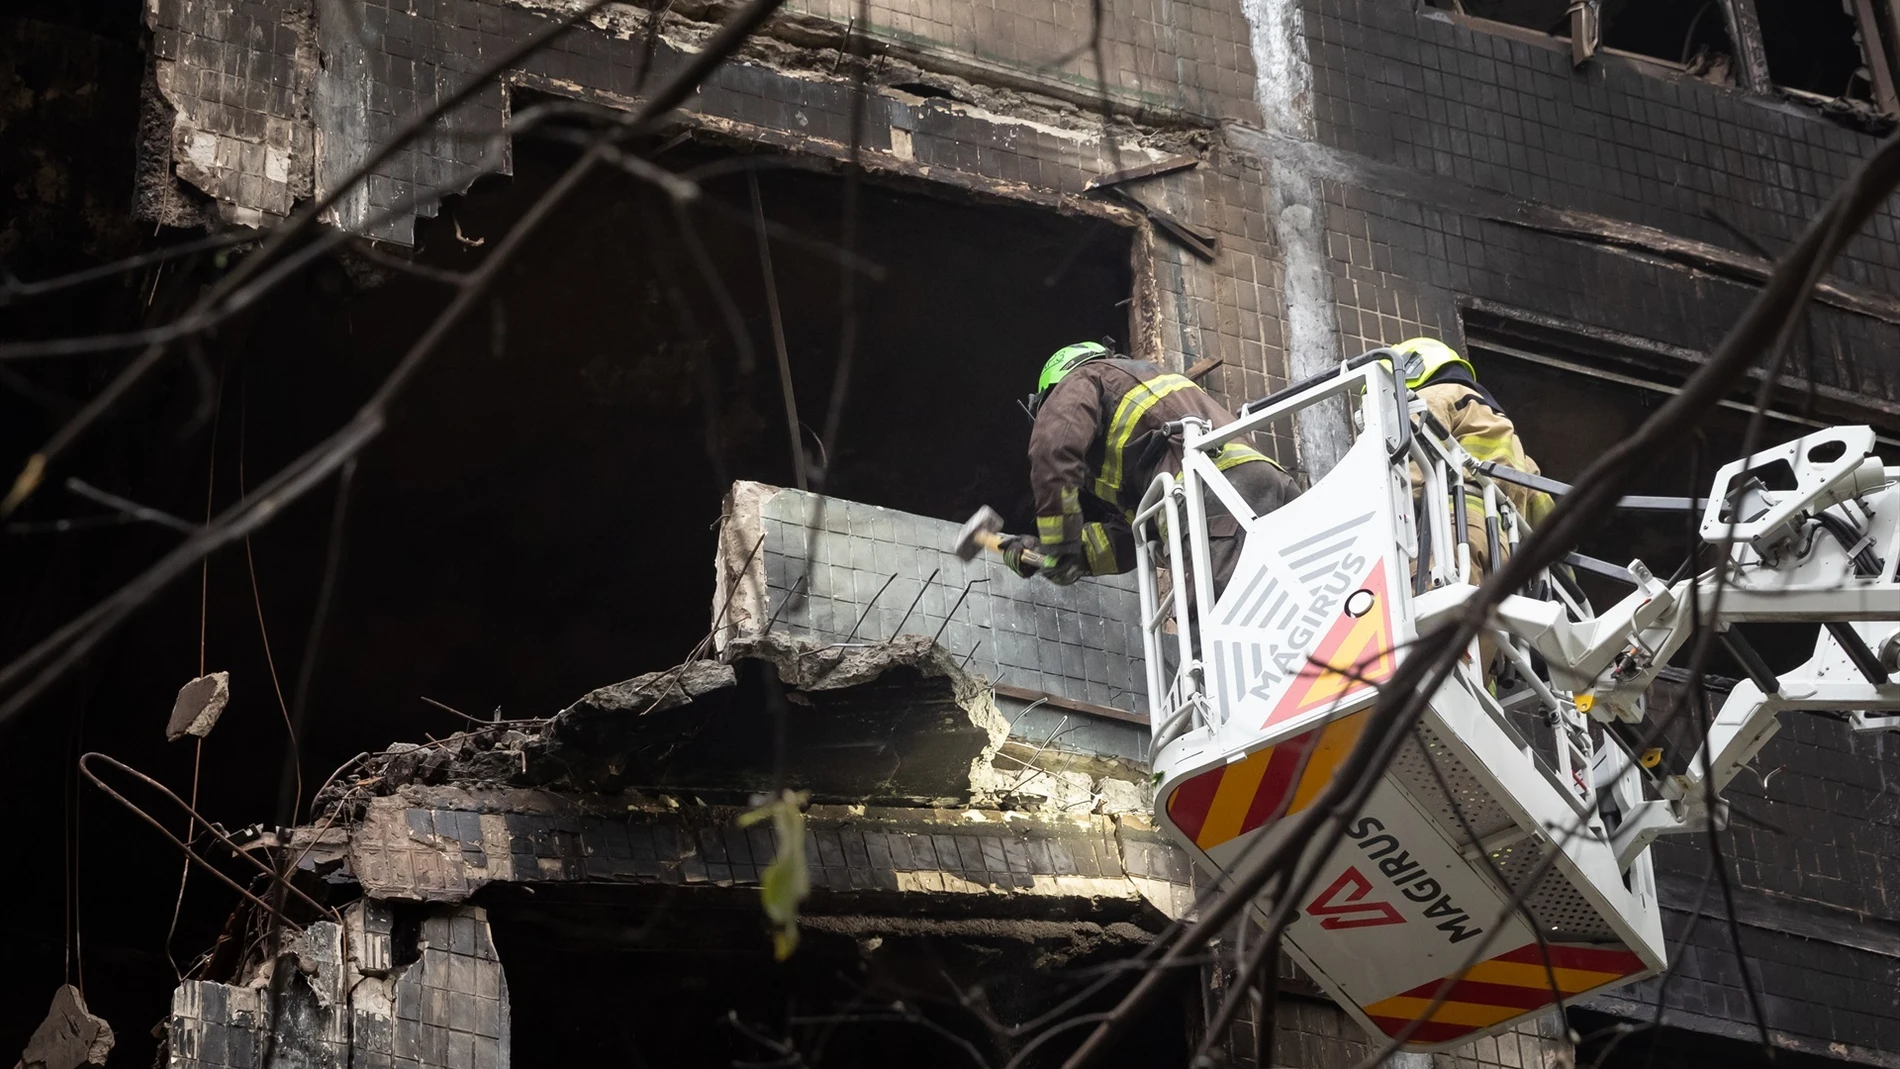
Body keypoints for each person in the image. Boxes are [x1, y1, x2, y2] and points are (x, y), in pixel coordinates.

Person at [1000, 341, 1299, 598]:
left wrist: (1058, 543)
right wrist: (1058, 556)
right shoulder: (1150, 398)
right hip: (1270, 485)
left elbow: (1053, 451)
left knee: (1219, 620)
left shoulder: (1083, 379)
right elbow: (1133, 536)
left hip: (1208, 497)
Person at [1392, 336, 1553, 579]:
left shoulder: (1432, 398)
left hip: (1453, 527)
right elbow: (1548, 519)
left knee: (1432, 600)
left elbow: (1409, 463)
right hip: (1502, 549)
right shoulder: (1512, 440)